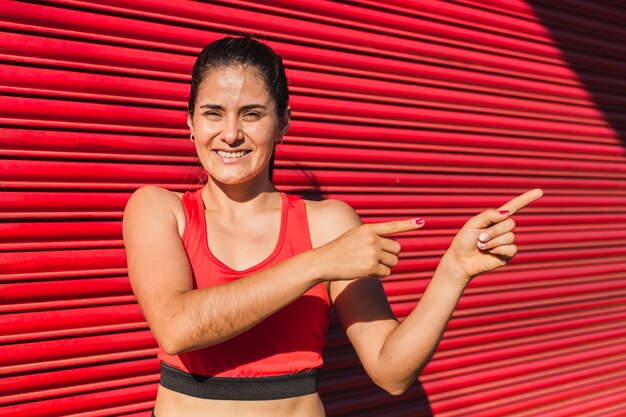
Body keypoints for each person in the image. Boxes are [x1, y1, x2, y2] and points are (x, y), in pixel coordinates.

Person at [122, 36, 543, 417]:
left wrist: (453, 271)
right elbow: (177, 328)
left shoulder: (328, 222)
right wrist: (316, 264)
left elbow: (389, 370)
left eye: (251, 114)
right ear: (190, 122)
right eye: (213, 113)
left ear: (282, 123)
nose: (230, 133)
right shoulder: (160, 209)